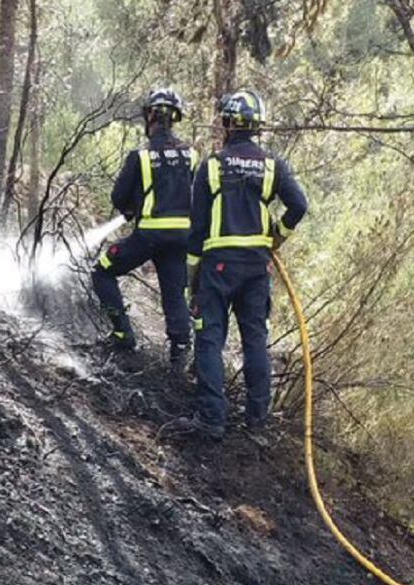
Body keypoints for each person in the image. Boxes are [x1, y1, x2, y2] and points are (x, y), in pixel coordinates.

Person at [179, 88, 308, 439]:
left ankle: (211, 419)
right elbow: (299, 205)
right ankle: (257, 422)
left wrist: (193, 280)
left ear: (228, 124)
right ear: (256, 127)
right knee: (255, 340)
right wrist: (277, 236)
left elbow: (197, 229)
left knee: (210, 338)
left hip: (218, 265)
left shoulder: (212, 165)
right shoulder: (272, 165)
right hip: (256, 267)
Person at [91, 86, 196, 376]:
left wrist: (132, 206)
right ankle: (179, 355)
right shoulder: (191, 155)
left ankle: (123, 335)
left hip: (149, 234)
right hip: (181, 238)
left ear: (149, 115)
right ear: (175, 118)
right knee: (174, 294)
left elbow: (117, 197)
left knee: (102, 271)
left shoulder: (141, 156)